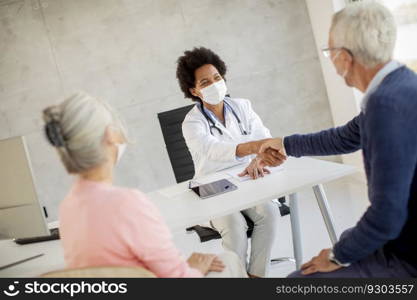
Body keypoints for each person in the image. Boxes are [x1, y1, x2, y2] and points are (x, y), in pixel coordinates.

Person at [258, 1, 417, 278]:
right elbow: (345, 137)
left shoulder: (385, 104)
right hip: (401, 239)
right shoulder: (401, 84)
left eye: (329, 51)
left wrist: (337, 255)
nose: (330, 58)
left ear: (344, 57)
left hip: (405, 256)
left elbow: (386, 217)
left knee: (297, 281)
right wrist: (285, 143)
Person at [43, 92, 247, 278]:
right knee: (228, 261)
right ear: (110, 136)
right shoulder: (126, 204)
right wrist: (193, 268)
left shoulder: (67, 208)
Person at [177, 47, 284, 277]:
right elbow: (213, 150)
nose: (214, 84)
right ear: (194, 90)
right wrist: (255, 148)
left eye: (217, 78)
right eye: (205, 82)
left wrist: (258, 158)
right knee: (235, 227)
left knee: (270, 213)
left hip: (247, 179)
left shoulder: (243, 106)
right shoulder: (192, 123)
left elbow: (263, 137)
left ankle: (256, 277)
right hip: (211, 187)